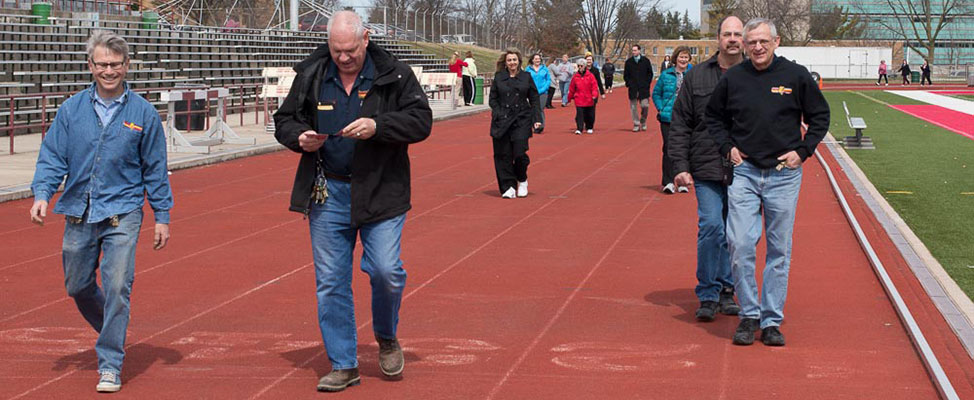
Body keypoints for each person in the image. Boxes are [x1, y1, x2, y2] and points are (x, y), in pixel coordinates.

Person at [273, 11, 433, 392]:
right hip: (328, 191)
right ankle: (343, 363)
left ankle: (386, 335)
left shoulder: (394, 74)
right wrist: (300, 137)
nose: (343, 57)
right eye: (336, 50)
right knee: (330, 281)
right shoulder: (312, 75)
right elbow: (284, 120)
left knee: (385, 271)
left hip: (381, 189)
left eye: (350, 49)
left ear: (365, 38)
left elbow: (421, 121)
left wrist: (379, 127)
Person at [29, 30, 173, 393]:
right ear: (90, 66)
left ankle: (110, 362)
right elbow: (52, 156)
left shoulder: (143, 114)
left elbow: (155, 168)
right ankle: (114, 326)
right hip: (79, 210)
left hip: (123, 212)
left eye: (115, 64)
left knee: (117, 285)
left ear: (127, 66)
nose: (109, 70)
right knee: (77, 286)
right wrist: (42, 194)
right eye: (102, 64)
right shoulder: (71, 110)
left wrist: (162, 216)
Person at [705, 18, 830, 347]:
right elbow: (713, 116)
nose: (757, 47)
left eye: (763, 41)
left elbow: (820, 116)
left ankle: (771, 319)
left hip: (782, 174)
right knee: (741, 244)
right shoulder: (734, 78)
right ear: (744, 46)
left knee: (779, 249)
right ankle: (749, 314)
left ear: (776, 42)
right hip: (745, 171)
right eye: (751, 42)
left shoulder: (796, 75)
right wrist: (726, 147)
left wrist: (803, 151)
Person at [669, 16, 746, 323]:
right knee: (712, 226)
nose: (732, 39)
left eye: (737, 34)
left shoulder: (756, 75)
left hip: (744, 168)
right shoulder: (697, 76)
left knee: (737, 233)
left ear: (744, 39)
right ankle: (708, 293)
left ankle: (728, 289)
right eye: (726, 33)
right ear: (717, 38)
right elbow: (680, 123)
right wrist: (680, 166)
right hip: (706, 166)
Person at [489, 48, 541, 198]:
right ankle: (508, 187)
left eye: (514, 60)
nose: (512, 62)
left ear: (519, 61)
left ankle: (522, 179)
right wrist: (499, 112)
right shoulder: (499, 77)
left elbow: (534, 98)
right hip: (502, 120)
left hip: (521, 119)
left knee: (519, 153)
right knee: (503, 155)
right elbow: (492, 99)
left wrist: (536, 119)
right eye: (509, 60)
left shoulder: (526, 77)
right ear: (505, 63)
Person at [653, 45, 692, 194]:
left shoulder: (692, 74)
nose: (683, 60)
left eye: (686, 57)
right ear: (675, 58)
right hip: (668, 117)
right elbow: (656, 93)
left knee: (684, 149)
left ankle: (682, 180)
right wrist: (661, 108)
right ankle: (668, 181)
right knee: (669, 148)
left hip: (686, 117)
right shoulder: (666, 75)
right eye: (681, 57)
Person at [624, 44, 655, 132]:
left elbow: (650, 73)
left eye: (635, 50)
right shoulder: (629, 62)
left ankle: (643, 120)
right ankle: (636, 124)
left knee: (645, 106)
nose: (633, 52)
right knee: (633, 107)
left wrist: (647, 83)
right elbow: (626, 75)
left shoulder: (645, 61)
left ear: (639, 51)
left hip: (643, 88)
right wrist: (629, 83)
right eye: (632, 50)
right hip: (633, 88)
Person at [567, 58, 600, 135]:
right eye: (578, 66)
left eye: (581, 66)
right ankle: (579, 128)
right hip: (579, 99)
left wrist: (594, 95)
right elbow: (571, 88)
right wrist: (568, 99)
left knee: (590, 114)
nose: (580, 67)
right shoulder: (575, 77)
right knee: (579, 114)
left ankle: (589, 127)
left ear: (584, 66)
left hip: (589, 99)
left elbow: (594, 87)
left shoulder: (590, 76)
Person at [527, 53, 551, 134]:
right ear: (532, 60)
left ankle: (541, 125)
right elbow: (525, 79)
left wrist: (544, 88)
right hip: (531, 93)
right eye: (536, 59)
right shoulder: (528, 69)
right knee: (532, 109)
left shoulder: (545, 69)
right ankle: (534, 125)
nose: (537, 60)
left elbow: (548, 80)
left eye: (538, 59)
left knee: (540, 108)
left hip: (543, 92)